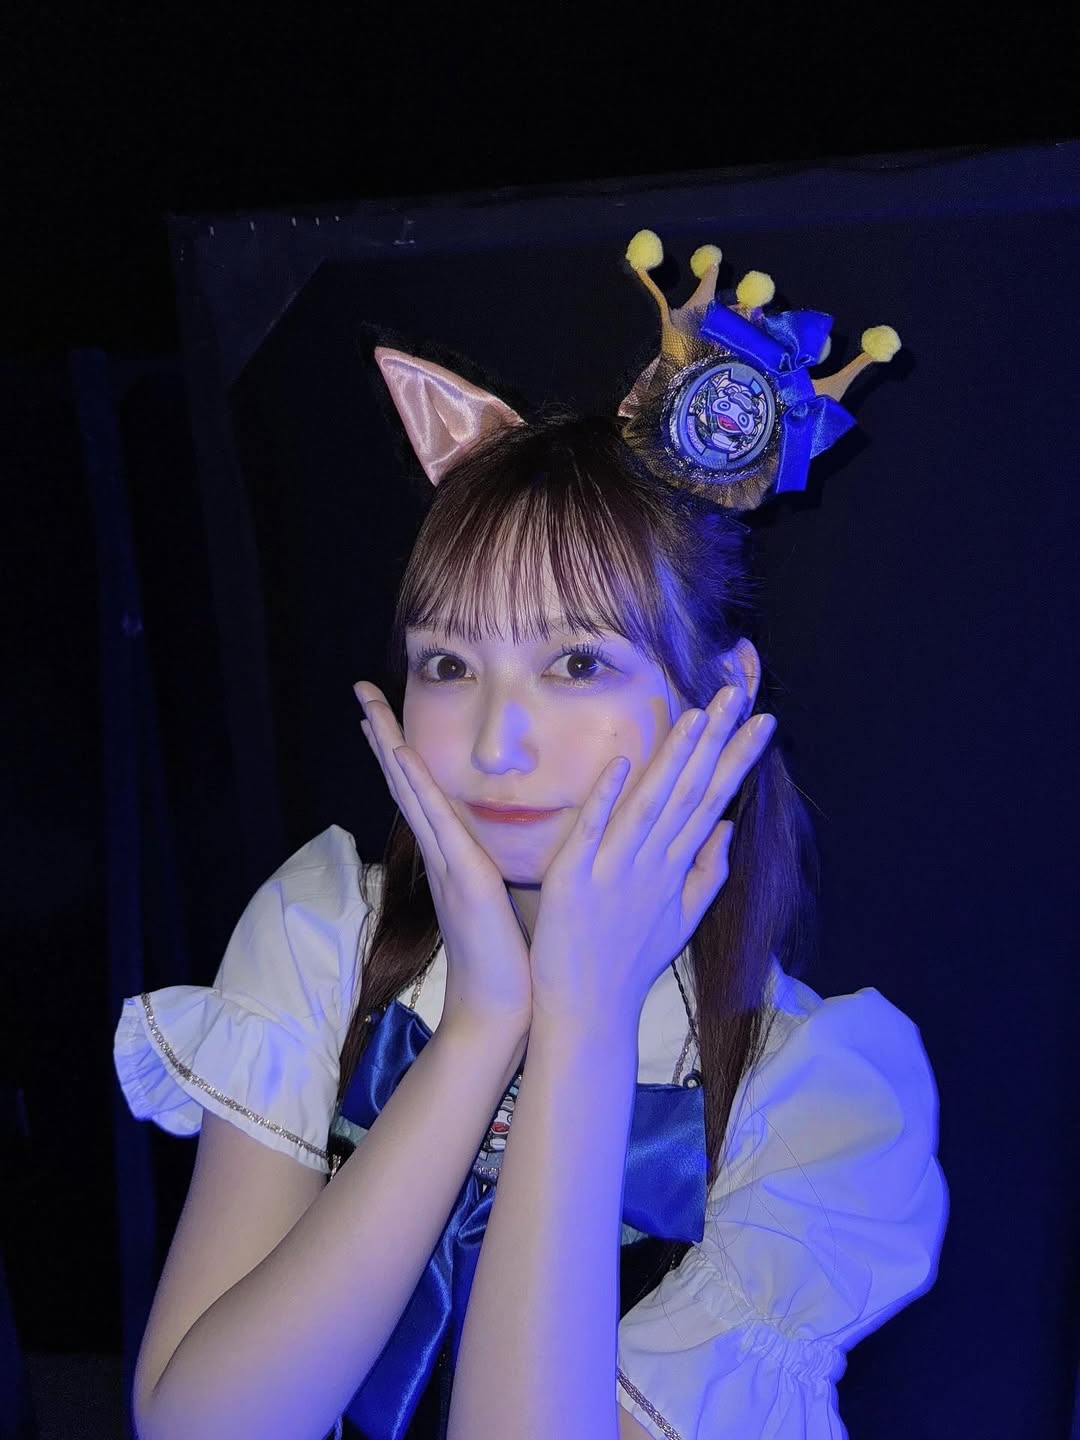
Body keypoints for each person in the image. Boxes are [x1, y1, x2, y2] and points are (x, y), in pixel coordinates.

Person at [114, 231, 947, 1440]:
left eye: (576, 662)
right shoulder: (327, 935)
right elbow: (199, 1428)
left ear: (720, 692)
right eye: (450, 664)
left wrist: (583, 1023)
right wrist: (481, 1027)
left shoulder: (817, 1098)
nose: (497, 743)